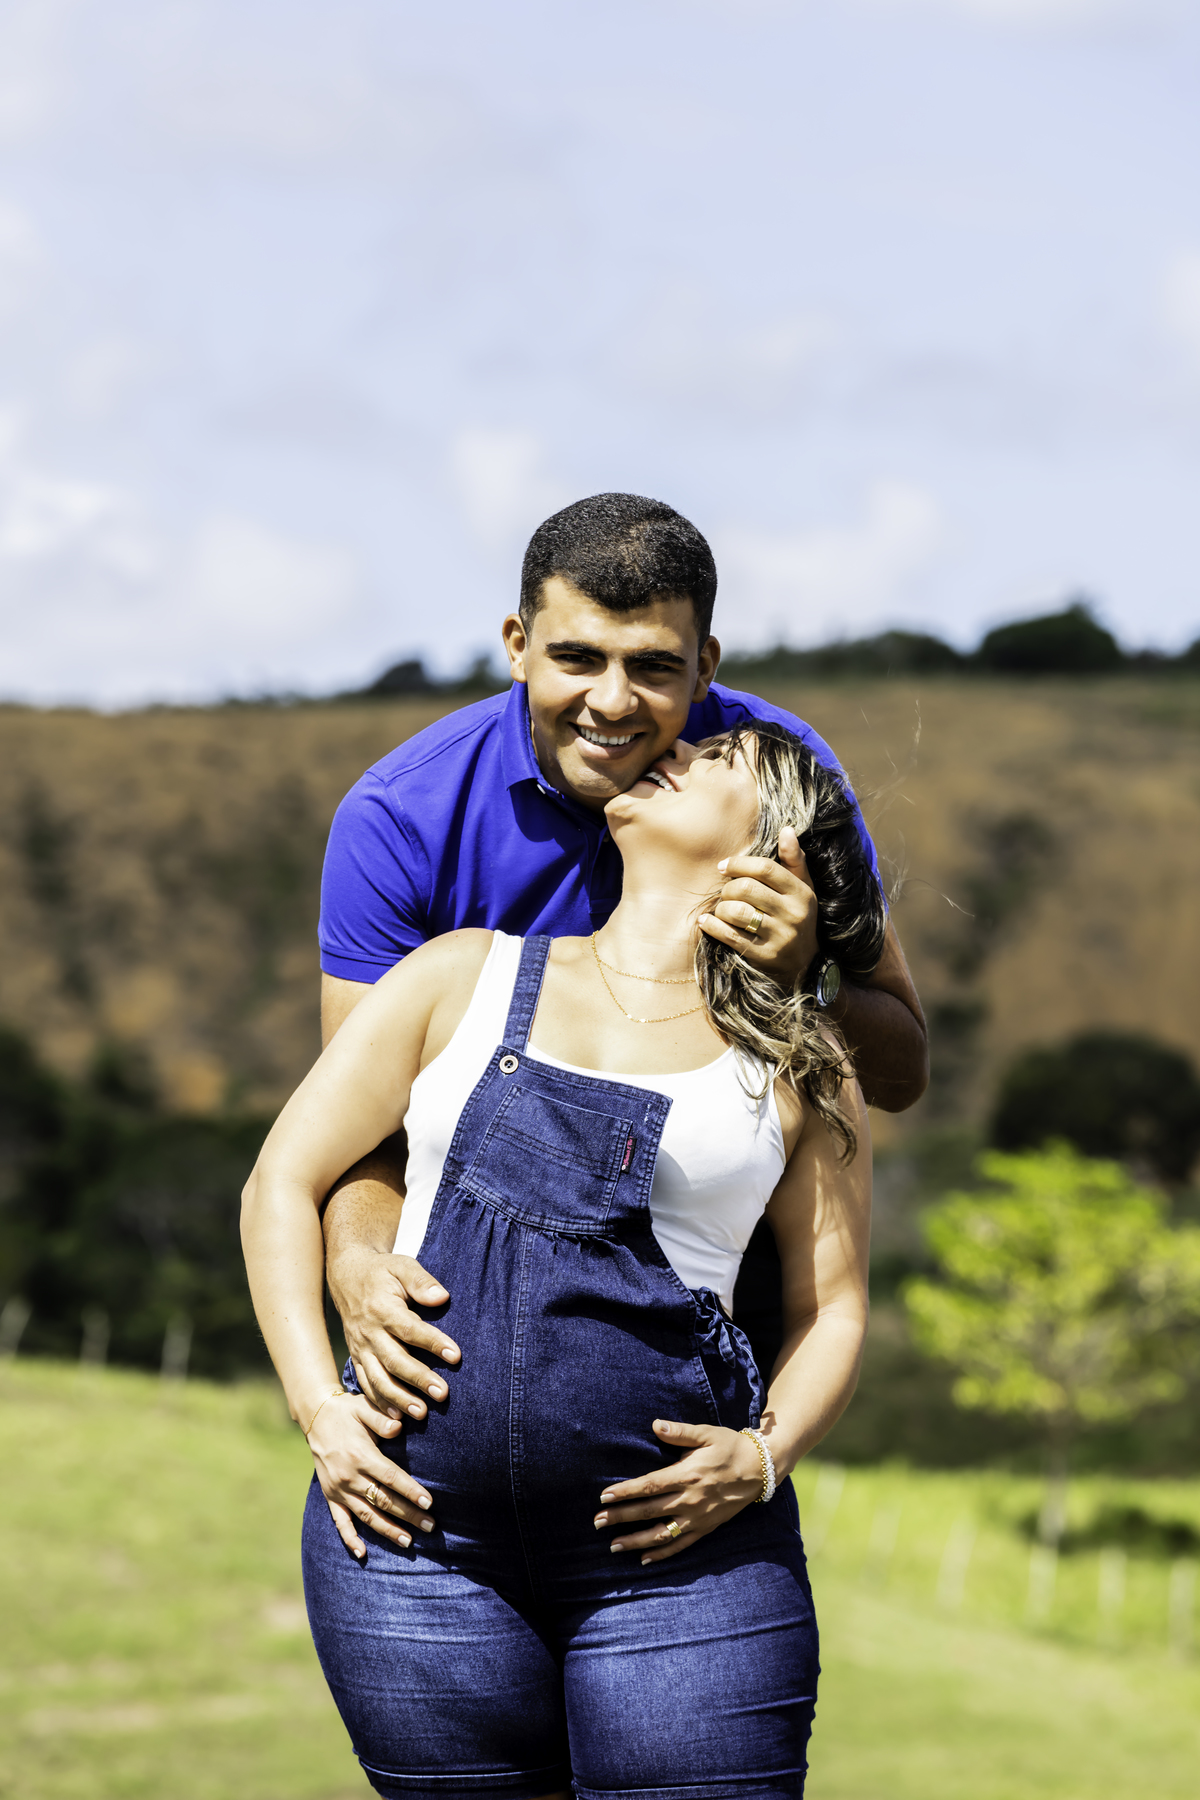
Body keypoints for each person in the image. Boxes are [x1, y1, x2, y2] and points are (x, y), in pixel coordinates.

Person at [241, 718, 885, 1799]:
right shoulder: (460, 976)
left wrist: (762, 1459)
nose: (677, 749)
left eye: (718, 760)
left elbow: (836, 1309)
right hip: (415, 1553)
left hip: (686, 1571)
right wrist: (320, 1410)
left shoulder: (801, 1063)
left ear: (771, 848)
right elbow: (281, 1184)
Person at [317, 494, 926, 1430]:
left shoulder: (766, 776)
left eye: (653, 666)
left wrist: (808, 974)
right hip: (463, 1320)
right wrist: (359, 1266)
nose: (611, 701)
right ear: (517, 644)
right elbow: (358, 1130)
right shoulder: (402, 818)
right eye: (576, 658)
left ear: (705, 665)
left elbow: (902, 1071)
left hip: (718, 1316)